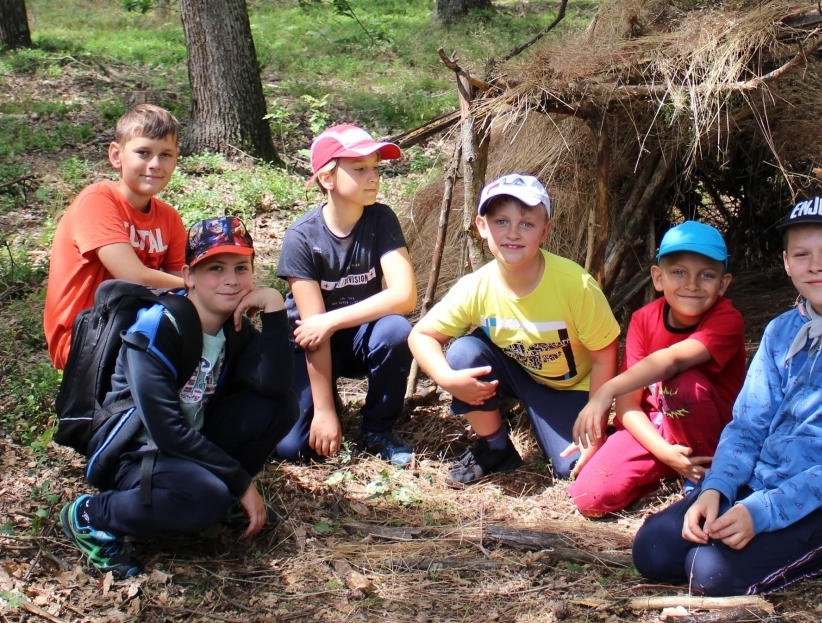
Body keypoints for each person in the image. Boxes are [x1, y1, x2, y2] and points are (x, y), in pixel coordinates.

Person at [632, 194, 822, 595]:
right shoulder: (782, 330)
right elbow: (748, 425)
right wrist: (717, 488)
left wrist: (763, 512)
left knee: (707, 571)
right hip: (765, 482)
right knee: (653, 550)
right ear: (786, 262)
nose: (815, 265)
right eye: (802, 254)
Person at [59, 216, 297, 577]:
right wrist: (239, 480)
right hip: (137, 454)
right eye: (215, 268)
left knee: (280, 406)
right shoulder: (156, 327)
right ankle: (92, 515)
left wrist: (276, 309)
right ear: (189, 276)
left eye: (241, 268)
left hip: (187, 445)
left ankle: (222, 498)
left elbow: (275, 385)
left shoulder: (233, 328)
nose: (231, 280)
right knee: (206, 496)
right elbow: (166, 429)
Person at [409, 174, 620, 484]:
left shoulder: (575, 285)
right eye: (501, 221)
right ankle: (495, 447)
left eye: (527, 224)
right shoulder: (477, 286)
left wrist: (596, 421)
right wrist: (447, 379)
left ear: (545, 231)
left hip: (571, 386)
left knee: (574, 467)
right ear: (482, 226)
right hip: (515, 371)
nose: (512, 233)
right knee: (465, 353)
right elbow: (422, 335)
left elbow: (605, 355)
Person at [569, 221, 746, 517]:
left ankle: (705, 477)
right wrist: (665, 452)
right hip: (658, 428)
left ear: (723, 284)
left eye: (706, 275)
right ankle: (672, 466)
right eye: (679, 272)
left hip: (709, 430)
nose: (692, 284)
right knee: (589, 497)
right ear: (658, 278)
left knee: (681, 382)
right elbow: (628, 405)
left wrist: (607, 390)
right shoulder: (644, 319)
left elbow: (672, 361)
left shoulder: (727, 320)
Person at [274, 124, 419, 467]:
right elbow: (313, 333)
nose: (373, 177)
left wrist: (332, 319)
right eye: (359, 168)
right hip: (308, 347)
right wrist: (324, 410)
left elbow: (404, 296)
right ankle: (324, 401)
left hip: (357, 336)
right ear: (327, 178)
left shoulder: (381, 219)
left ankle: (378, 429)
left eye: (375, 168)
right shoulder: (301, 238)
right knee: (294, 449)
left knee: (396, 330)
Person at [44, 104, 188, 370]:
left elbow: (181, 284)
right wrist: (199, 286)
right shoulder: (98, 200)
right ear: (116, 155)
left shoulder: (169, 218)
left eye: (166, 154)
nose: (155, 164)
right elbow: (133, 275)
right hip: (85, 335)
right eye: (143, 152)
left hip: (133, 325)